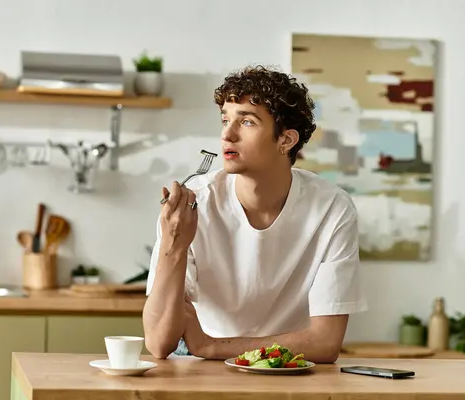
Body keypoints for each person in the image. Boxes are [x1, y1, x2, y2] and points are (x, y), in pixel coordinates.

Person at [142, 65, 367, 363]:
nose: (227, 134)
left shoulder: (332, 209)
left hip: (287, 366)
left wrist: (212, 346)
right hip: (202, 368)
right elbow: (159, 343)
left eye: (246, 122)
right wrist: (174, 244)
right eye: (225, 119)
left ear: (285, 140)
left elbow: (325, 344)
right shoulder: (194, 203)